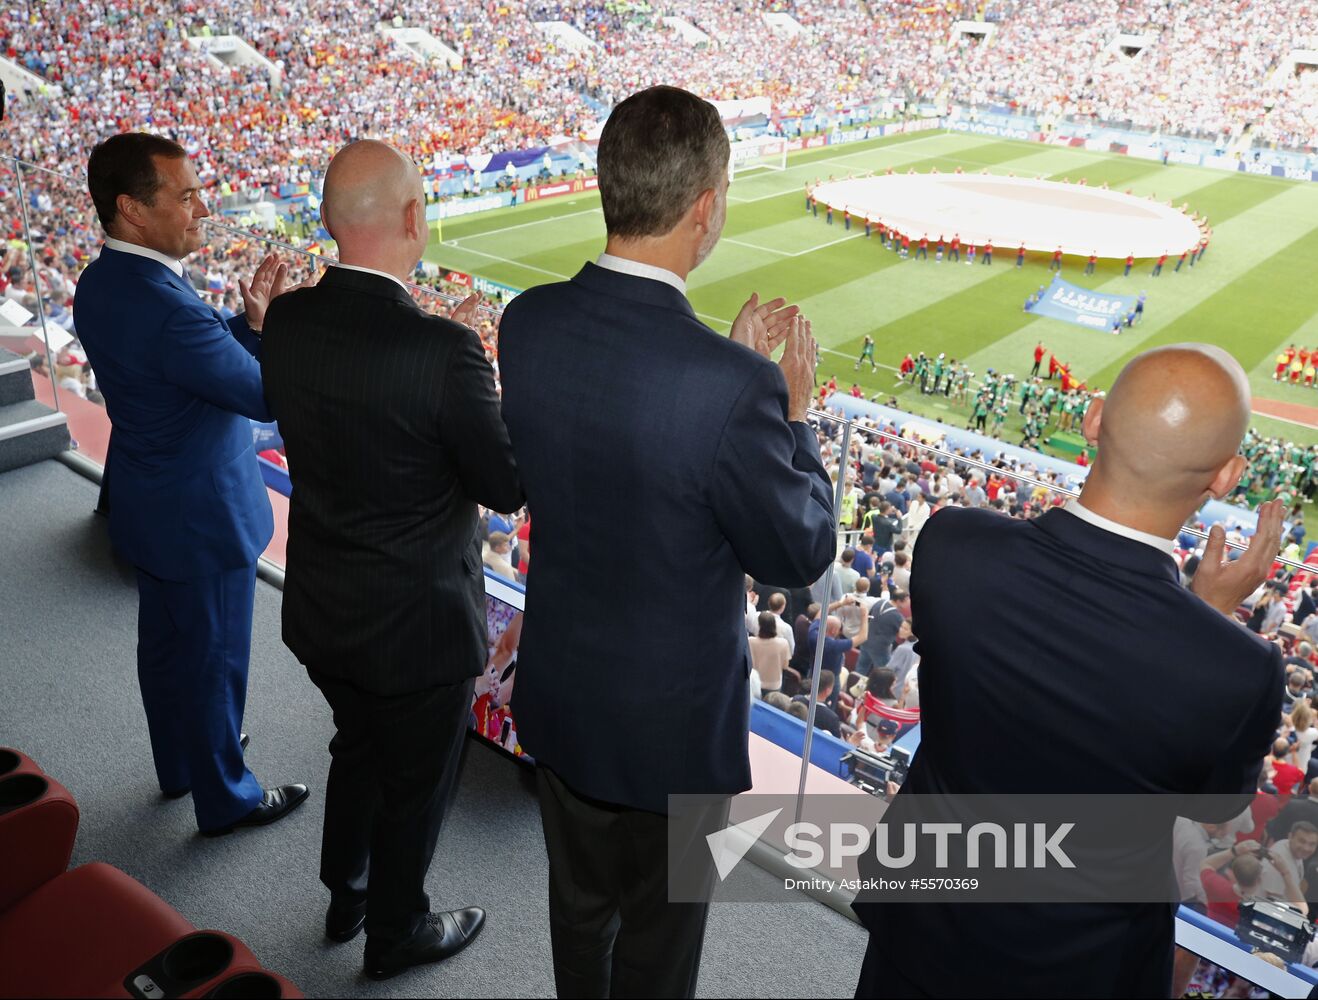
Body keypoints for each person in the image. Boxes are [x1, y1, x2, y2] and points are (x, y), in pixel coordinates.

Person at [496, 87, 835, 999]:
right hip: (673, 737)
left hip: (563, 695)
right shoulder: (733, 387)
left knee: (579, 915)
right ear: (706, 208)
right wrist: (792, 414)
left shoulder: (528, 321)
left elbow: (630, 428)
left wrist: (734, 372)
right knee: (660, 950)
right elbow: (800, 552)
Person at [854, 343, 1286, 998]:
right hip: (1085, 965)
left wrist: (1199, 626)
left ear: (1092, 419)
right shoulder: (1240, 669)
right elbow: (1214, 804)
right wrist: (1206, 620)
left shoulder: (954, 543)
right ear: (1227, 477)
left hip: (922, 918)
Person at [261, 140, 521, 980]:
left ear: (329, 221)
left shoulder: (286, 319)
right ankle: (396, 930)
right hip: (419, 629)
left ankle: (347, 894)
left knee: (358, 746)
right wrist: (489, 387)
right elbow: (505, 485)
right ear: (414, 216)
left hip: (322, 610)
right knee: (415, 781)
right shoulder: (443, 352)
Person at [73, 133, 308, 837]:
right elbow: (263, 394)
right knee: (214, 657)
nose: (203, 209)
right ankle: (227, 796)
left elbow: (185, 356)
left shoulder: (102, 281)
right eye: (187, 196)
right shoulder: (168, 307)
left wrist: (248, 326)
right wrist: (279, 333)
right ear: (132, 209)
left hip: (151, 504)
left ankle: (182, 762)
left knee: (167, 648)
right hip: (204, 516)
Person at [749, 611, 791, 697]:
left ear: (759, 625)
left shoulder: (750, 641)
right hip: (774, 685)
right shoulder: (783, 643)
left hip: (755, 682)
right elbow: (785, 666)